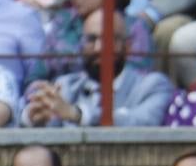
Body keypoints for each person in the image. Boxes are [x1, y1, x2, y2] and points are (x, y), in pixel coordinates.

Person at [20, 7, 172, 127]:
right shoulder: (66, 85)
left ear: (127, 46)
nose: (99, 48)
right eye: (91, 39)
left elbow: (142, 122)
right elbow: (51, 127)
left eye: (109, 39)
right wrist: (35, 117)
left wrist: (78, 114)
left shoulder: (152, 86)